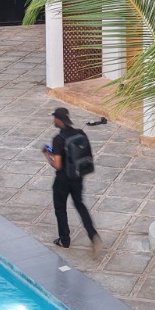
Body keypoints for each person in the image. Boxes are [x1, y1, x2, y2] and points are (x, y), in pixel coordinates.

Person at [44, 106, 100, 251]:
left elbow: (57, 165)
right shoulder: (80, 133)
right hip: (77, 176)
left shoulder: (58, 139)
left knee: (60, 209)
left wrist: (47, 155)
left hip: (62, 180)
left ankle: (65, 240)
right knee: (80, 205)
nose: (53, 120)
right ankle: (93, 235)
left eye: (54, 118)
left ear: (58, 120)